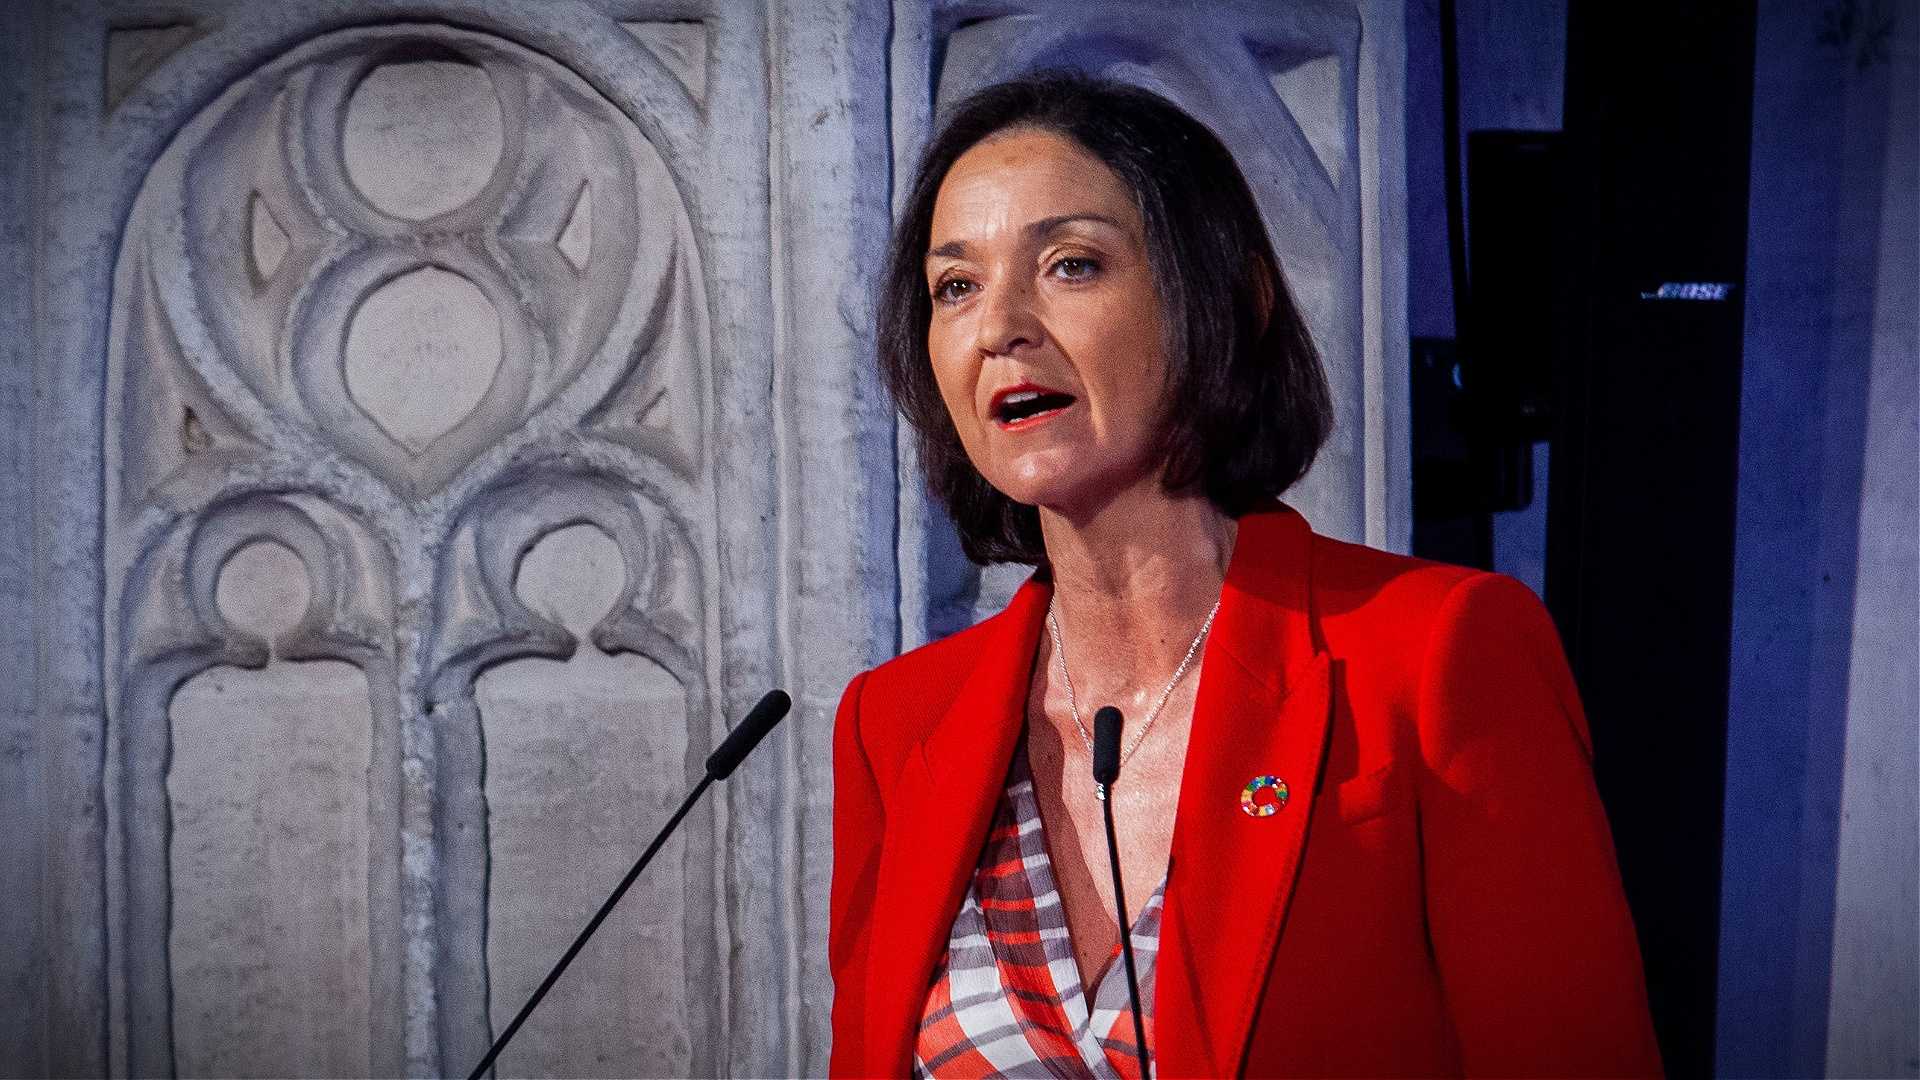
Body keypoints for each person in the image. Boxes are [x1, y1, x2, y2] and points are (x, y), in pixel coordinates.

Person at [829, 72, 1661, 1079]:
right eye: (954, 285)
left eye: (1072, 265)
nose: (998, 323)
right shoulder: (896, 723)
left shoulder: (1439, 656)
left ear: (1230, 298)